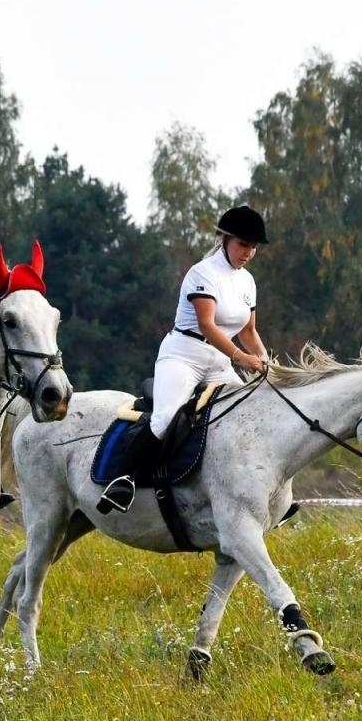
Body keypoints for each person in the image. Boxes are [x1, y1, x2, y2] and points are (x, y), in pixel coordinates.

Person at [98, 205, 271, 514]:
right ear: (225, 239)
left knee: (250, 411)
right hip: (183, 355)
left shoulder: (247, 281)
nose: (249, 253)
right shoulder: (202, 273)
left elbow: (249, 330)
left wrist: (265, 361)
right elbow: (207, 324)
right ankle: (122, 478)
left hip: (219, 361)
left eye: (254, 247)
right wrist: (241, 358)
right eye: (244, 244)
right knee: (165, 417)